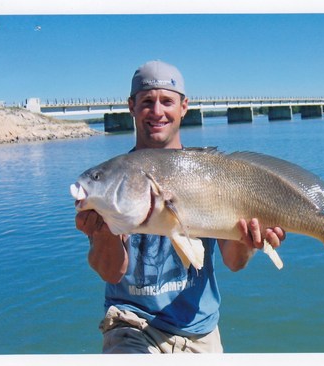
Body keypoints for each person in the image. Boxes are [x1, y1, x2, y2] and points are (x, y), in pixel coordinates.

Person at [75, 60, 286, 353]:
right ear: (131, 106)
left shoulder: (212, 173)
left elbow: (234, 262)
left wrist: (250, 241)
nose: (157, 111)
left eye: (167, 101)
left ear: (184, 107)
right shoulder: (117, 180)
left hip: (202, 331)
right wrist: (103, 231)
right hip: (132, 326)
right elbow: (111, 272)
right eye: (147, 101)